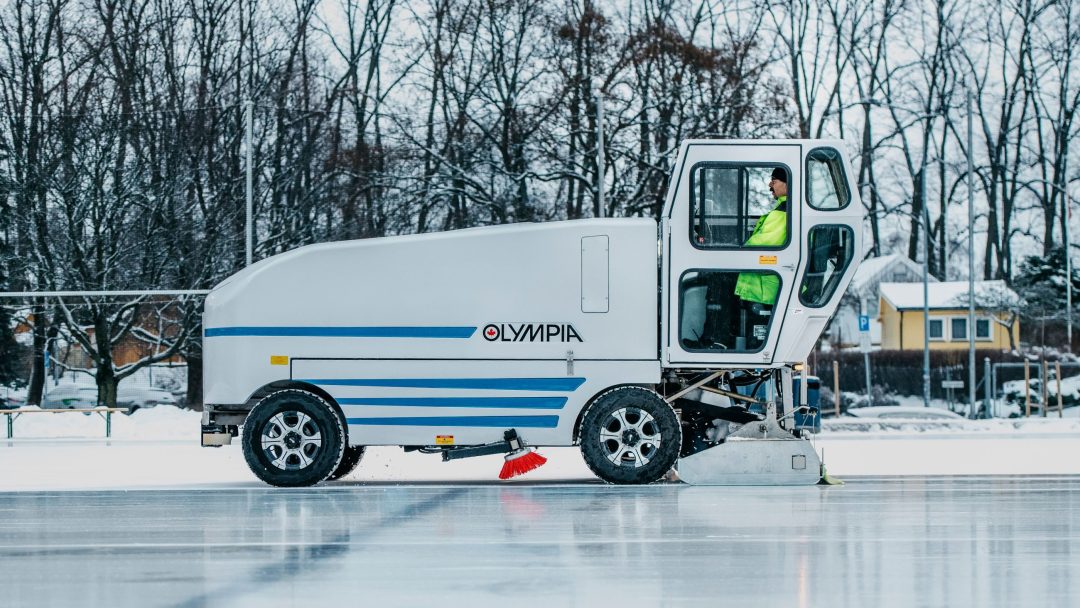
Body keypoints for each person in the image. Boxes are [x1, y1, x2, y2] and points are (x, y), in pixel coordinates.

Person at [734, 167, 788, 307]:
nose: (770, 185)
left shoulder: (784, 212)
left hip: (764, 289)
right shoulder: (784, 209)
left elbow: (762, 245)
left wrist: (735, 250)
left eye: (774, 181)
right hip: (765, 283)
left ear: (788, 184)